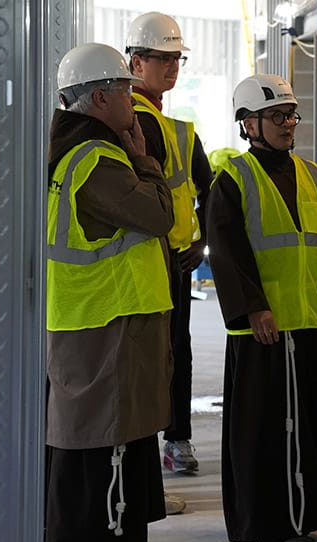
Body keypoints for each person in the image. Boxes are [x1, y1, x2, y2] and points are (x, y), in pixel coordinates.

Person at [206, 73, 317, 542]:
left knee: (312, 423)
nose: (287, 124)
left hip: (311, 323)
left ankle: (307, 516)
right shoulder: (232, 180)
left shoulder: (315, 177)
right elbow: (228, 252)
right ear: (248, 124)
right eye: (277, 116)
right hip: (266, 330)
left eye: (291, 115)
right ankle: (274, 526)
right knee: (271, 429)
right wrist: (254, 307)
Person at [44, 42, 174, 542]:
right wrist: (145, 159)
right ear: (101, 97)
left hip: (106, 313)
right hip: (101, 314)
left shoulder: (80, 149)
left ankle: (107, 540)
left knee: (114, 432)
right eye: (124, 90)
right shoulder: (95, 159)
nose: (131, 101)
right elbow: (157, 214)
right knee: (89, 437)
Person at [126, 11, 214, 484]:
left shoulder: (180, 130)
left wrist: (200, 241)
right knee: (149, 359)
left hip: (175, 265)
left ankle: (176, 440)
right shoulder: (121, 125)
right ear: (135, 62)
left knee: (175, 354)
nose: (171, 66)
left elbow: (208, 191)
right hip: (141, 265)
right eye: (161, 58)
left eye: (175, 58)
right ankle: (151, 445)